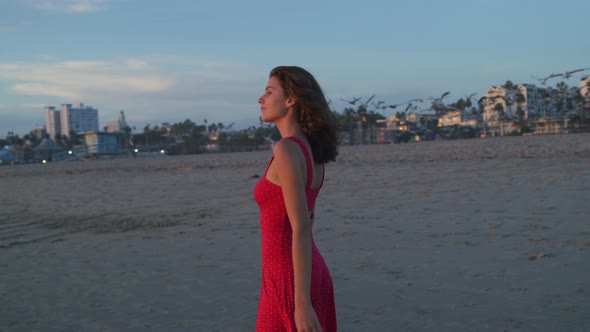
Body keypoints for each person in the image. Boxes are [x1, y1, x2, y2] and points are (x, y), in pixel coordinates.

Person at [253, 66, 339, 332]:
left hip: (289, 279)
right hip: (301, 272)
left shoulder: (287, 149)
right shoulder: (309, 151)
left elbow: (300, 226)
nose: (261, 99)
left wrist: (301, 303)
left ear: (291, 99)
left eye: (269, 92)